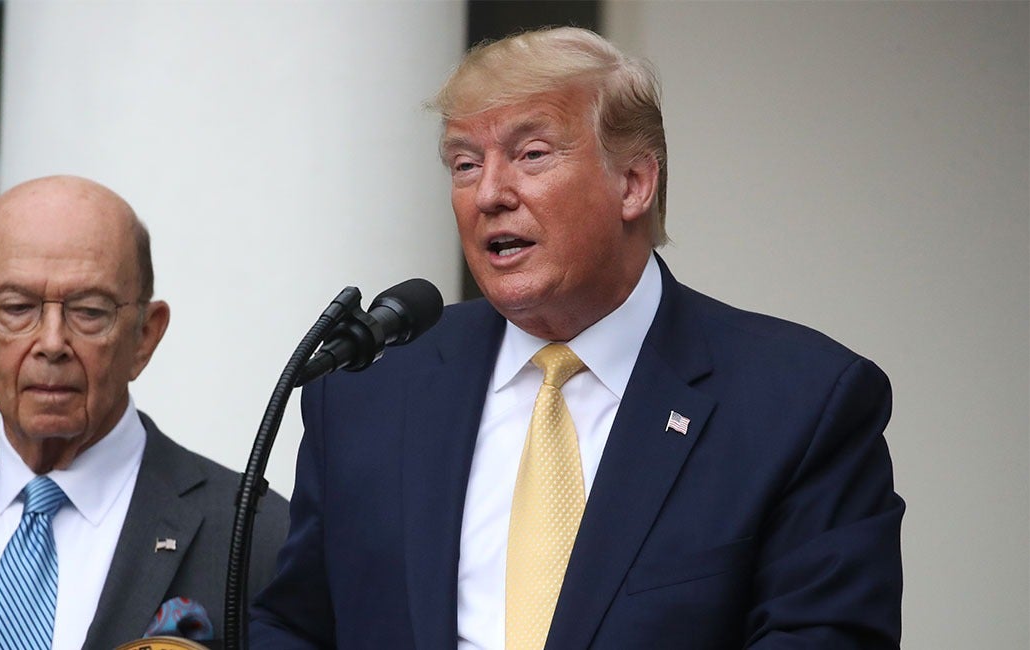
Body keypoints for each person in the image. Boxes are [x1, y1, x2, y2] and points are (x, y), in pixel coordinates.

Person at [250, 27, 903, 649]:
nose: (489, 194)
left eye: (532, 155)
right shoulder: (368, 388)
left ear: (634, 183)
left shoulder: (800, 405)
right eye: (465, 164)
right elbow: (297, 628)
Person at [0, 175, 289, 649]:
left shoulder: (257, 537)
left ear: (145, 336)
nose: (52, 342)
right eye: (17, 307)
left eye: (90, 311)